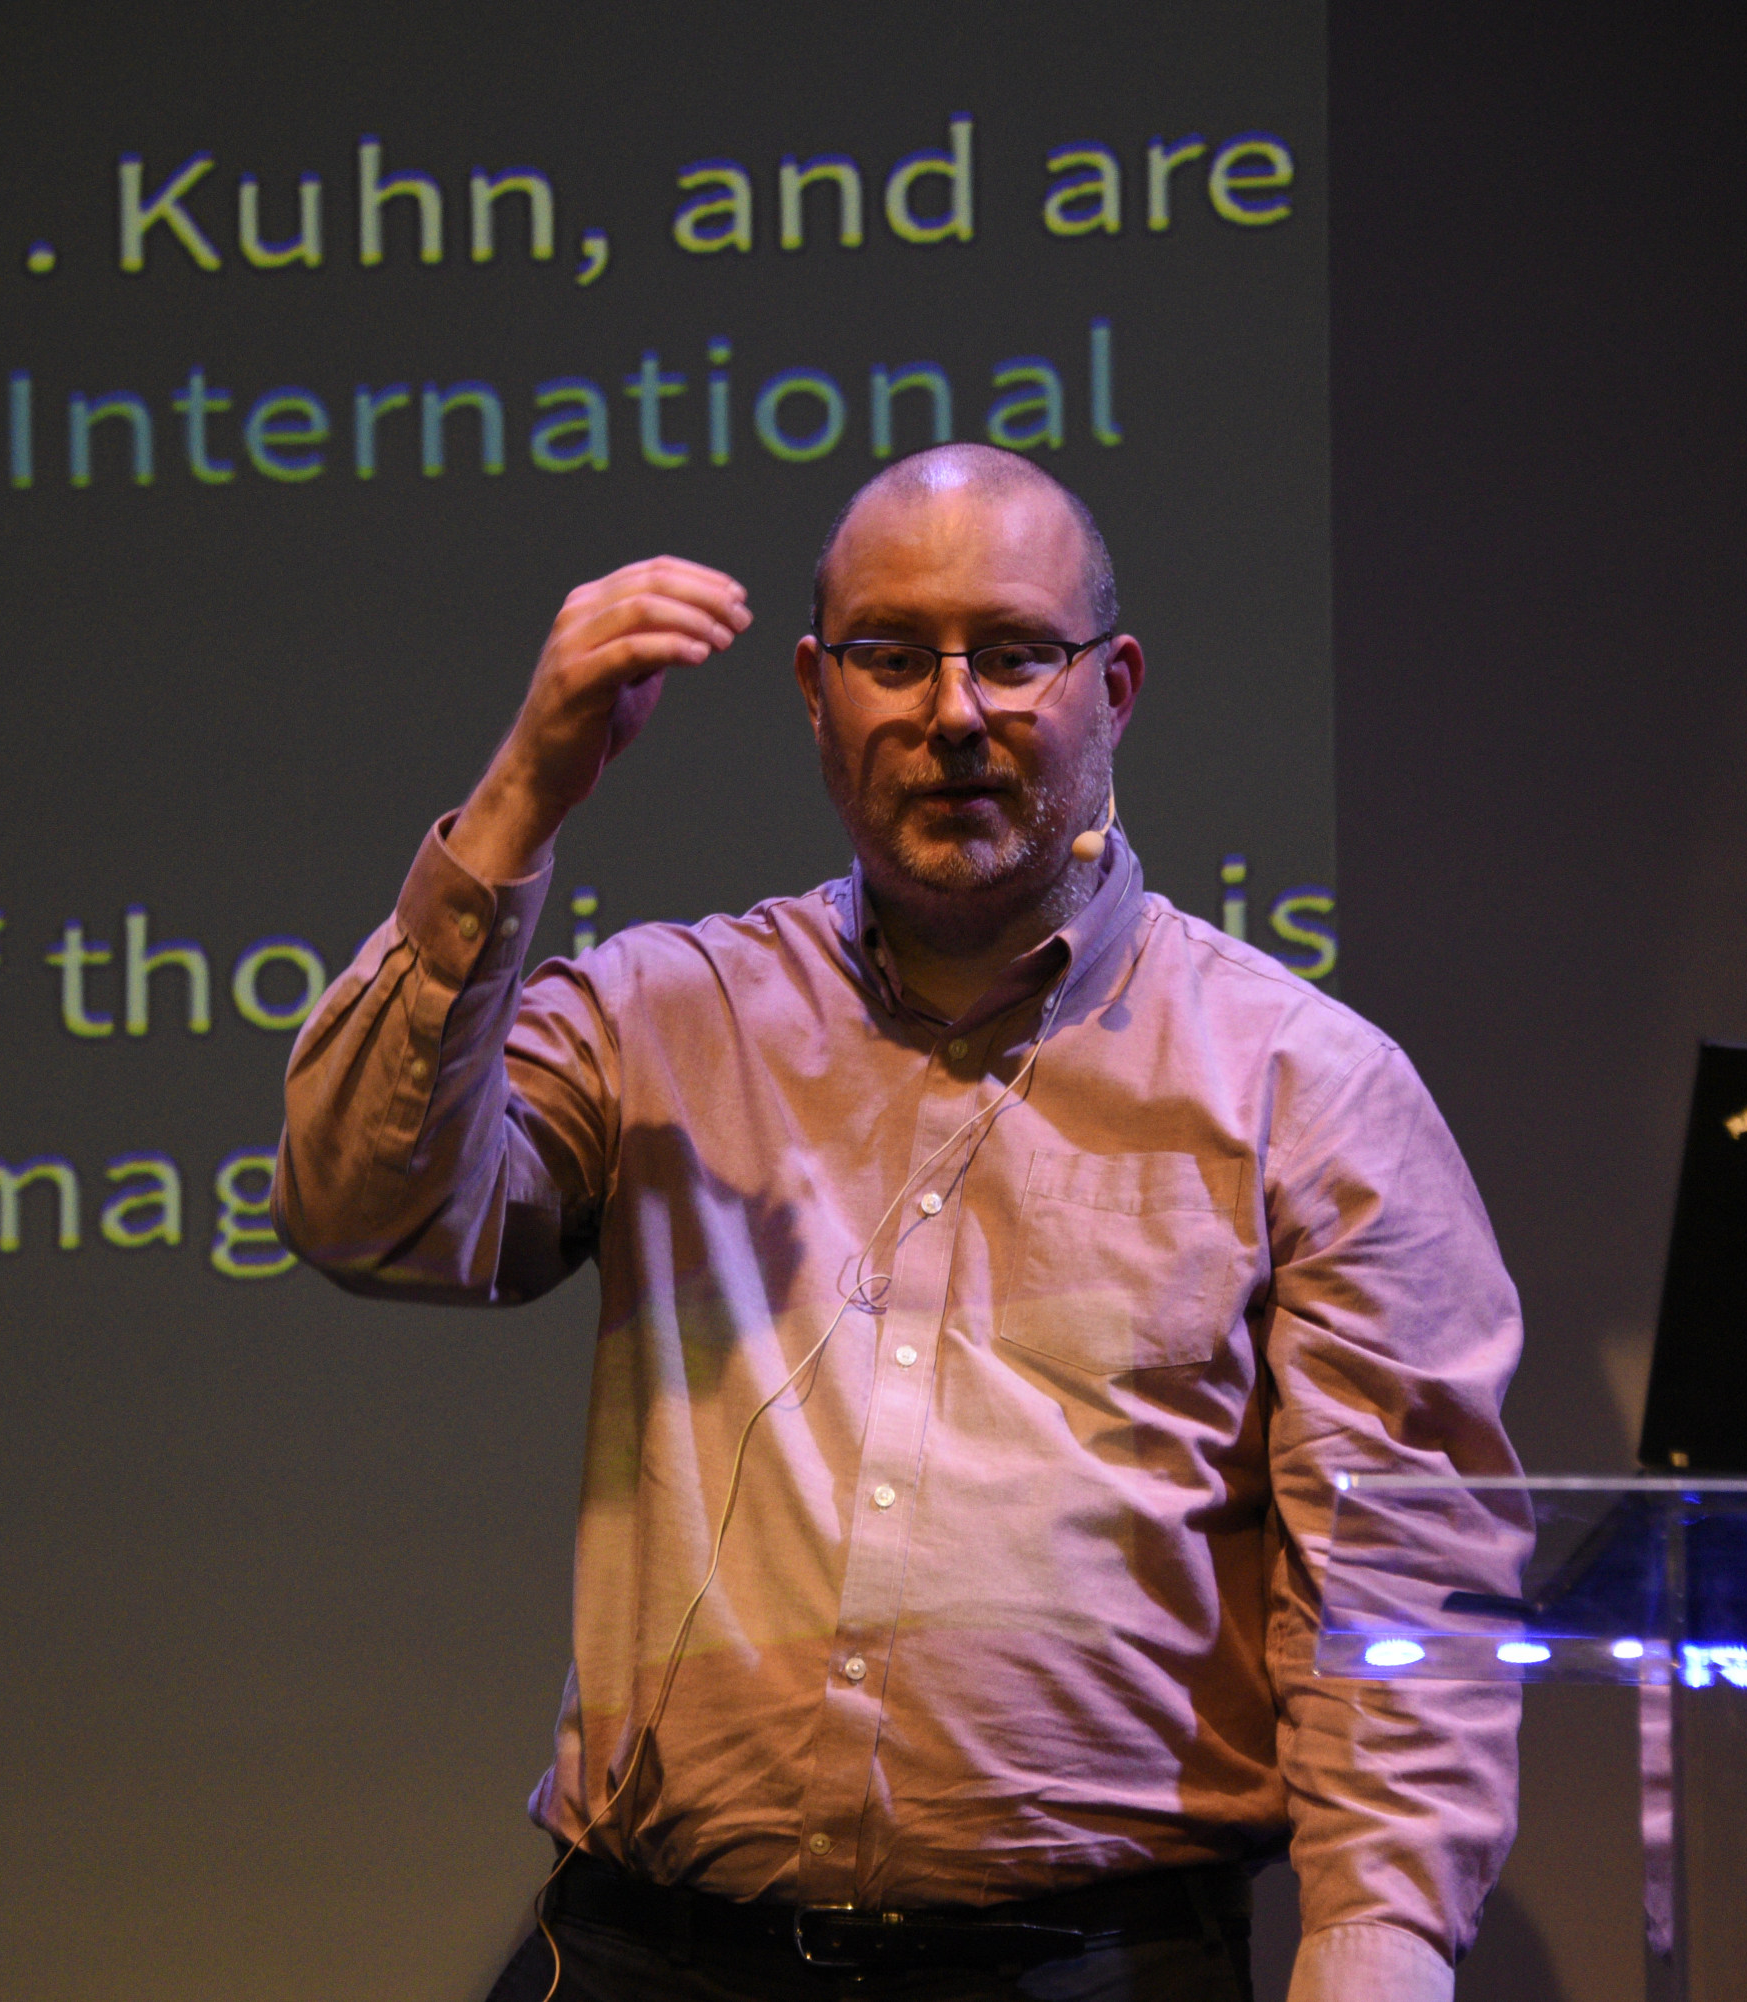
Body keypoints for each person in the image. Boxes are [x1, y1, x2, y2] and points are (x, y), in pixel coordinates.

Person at [274, 444, 1529, 2001]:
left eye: (1012, 653)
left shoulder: (1305, 1084)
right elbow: (363, 1206)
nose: (953, 712)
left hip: (1092, 1968)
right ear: (817, 693)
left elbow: (1403, 1586)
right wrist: (525, 792)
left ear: (1114, 686)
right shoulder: (666, 1017)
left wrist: (1377, 1945)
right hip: (655, 1958)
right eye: (891, 656)